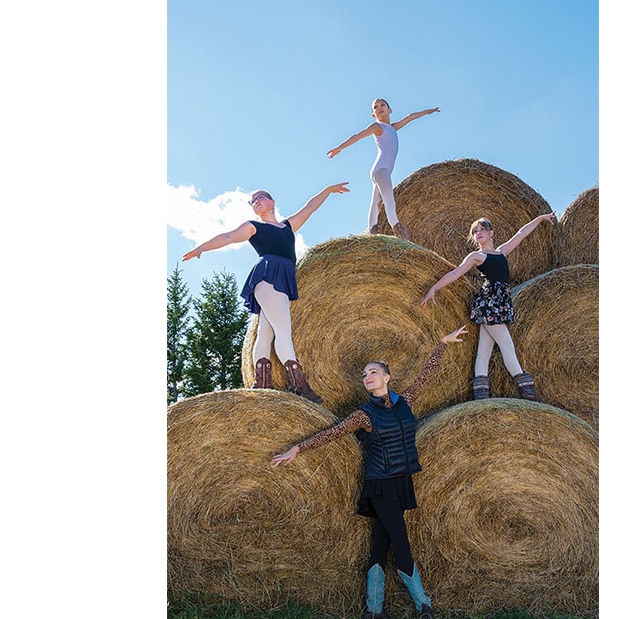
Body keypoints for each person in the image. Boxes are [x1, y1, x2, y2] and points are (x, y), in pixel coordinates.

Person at [271, 326, 468, 619]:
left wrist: (442, 344)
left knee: (381, 544)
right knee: (401, 543)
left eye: (373, 372)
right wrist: (298, 448)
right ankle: (425, 608)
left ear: (387, 378)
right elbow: (333, 433)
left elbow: (425, 376)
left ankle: (373, 611)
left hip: (401, 480)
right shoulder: (363, 414)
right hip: (380, 483)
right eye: (364, 374)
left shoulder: (405, 402)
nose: (367, 377)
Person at [182, 183, 350, 402]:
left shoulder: (287, 227)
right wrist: (202, 247)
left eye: (260, 197)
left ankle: (262, 384)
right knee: (283, 330)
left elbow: (309, 208)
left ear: (272, 202)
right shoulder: (254, 227)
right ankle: (299, 385)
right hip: (269, 275)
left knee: (266, 332)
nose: (256, 202)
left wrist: (327, 190)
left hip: (281, 277)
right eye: (253, 201)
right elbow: (228, 237)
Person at [420, 213, 557, 400]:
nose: (478, 233)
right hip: (488, 303)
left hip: (499, 303)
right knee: (507, 345)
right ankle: (528, 390)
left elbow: (521, 233)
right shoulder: (477, 256)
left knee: (484, 352)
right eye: (475, 232)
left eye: (481, 229)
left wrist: (541, 218)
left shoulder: (501, 252)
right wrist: (434, 288)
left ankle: (481, 396)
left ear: (491, 233)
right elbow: (457, 272)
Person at [326, 98, 440, 241]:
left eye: (382, 105)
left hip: (381, 170)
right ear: (373, 114)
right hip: (381, 170)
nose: (379, 108)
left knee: (375, 204)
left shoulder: (393, 127)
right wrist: (340, 147)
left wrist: (428, 111)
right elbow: (358, 135)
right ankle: (398, 231)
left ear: (389, 109)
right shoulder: (377, 127)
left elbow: (411, 117)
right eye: (375, 107)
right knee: (389, 200)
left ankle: (372, 233)